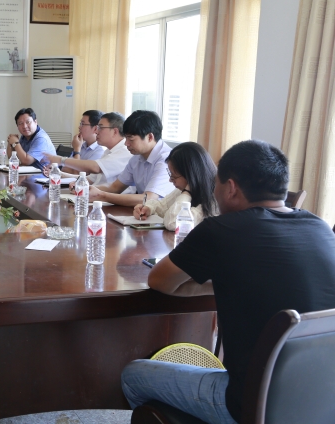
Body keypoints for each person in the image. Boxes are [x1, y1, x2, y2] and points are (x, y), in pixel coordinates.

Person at [121, 140, 335, 424]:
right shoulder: (321, 228)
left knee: (134, 374)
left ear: (231, 187)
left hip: (250, 404)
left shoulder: (219, 230)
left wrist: (216, 282)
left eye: (216, 184)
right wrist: (228, 281)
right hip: (323, 401)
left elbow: (159, 280)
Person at [87, 110, 174, 206]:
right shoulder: (136, 158)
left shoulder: (166, 160)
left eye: (131, 139)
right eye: (126, 138)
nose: (126, 143)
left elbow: (148, 198)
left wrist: (102, 195)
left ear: (149, 137)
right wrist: (85, 188)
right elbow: (115, 187)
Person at [132, 142, 218, 230]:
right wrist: (148, 209)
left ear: (190, 175)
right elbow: (161, 206)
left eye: (174, 176)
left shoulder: (214, 200)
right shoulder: (186, 189)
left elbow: (174, 223)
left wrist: (186, 193)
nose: (170, 180)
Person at [48, 112, 132, 186]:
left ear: (115, 131)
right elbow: (89, 179)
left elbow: (96, 167)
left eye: (100, 128)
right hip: (97, 195)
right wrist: (58, 173)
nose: (96, 132)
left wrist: (61, 160)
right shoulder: (108, 151)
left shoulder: (124, 151)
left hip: (110, 198)